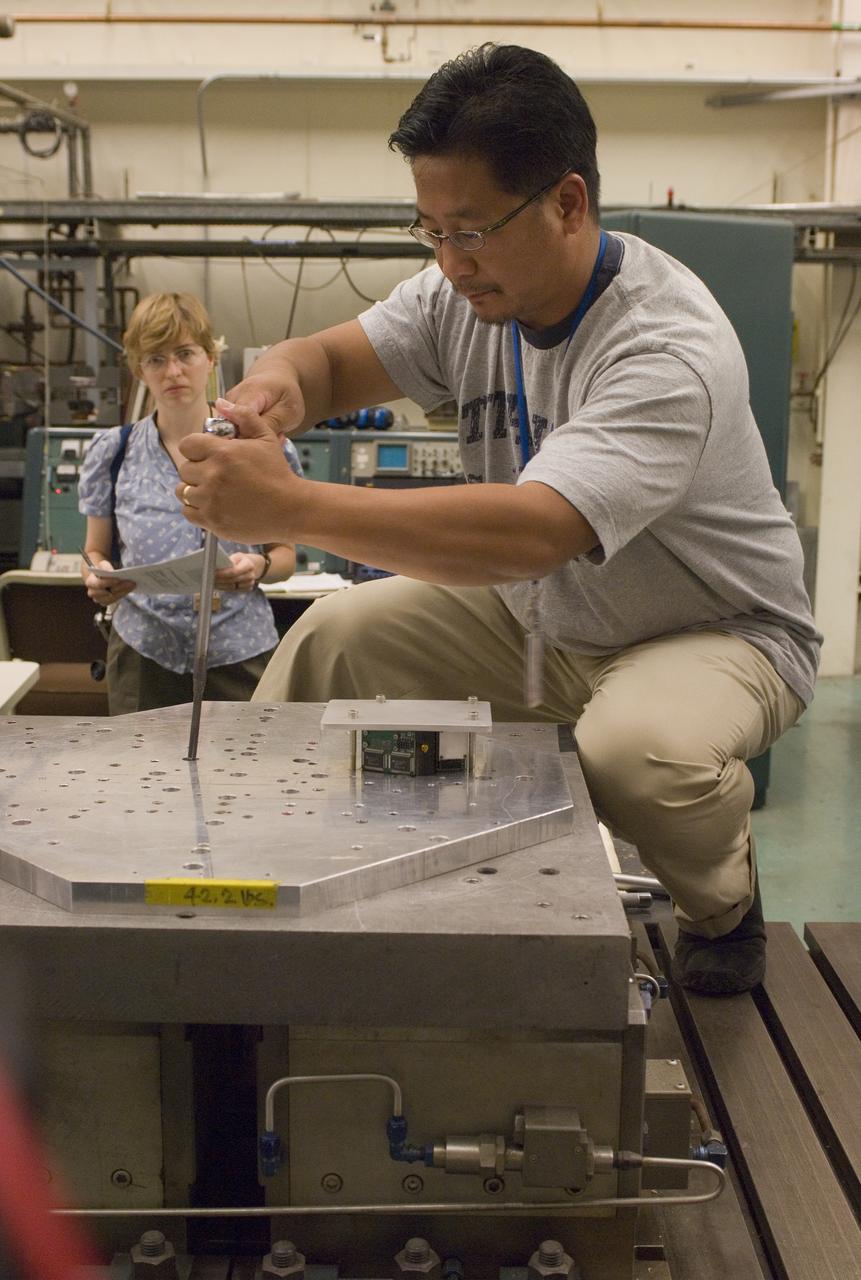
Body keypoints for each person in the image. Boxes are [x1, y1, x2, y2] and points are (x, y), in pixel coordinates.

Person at [174, 44, 821, 996]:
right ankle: (253, 868)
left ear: (568, 203)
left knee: (634, 755)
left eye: (471, 230)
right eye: (430, 230)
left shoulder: (662, 344)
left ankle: (722, 902)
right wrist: (272, 391)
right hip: (541, 611)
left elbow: (532, 531)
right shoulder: (463, 295)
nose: (449, 261)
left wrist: (289, 506)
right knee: (333, 638)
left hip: (712, 630)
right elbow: (328, 362)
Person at [78, 291, 300, 715]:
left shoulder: (256, 446)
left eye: (185, 354)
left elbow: (286, 556)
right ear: (139, 370)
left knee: (248, 756)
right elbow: (94, 551)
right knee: (138, 759)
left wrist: (259, 567)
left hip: (239, 649)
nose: (173, 371)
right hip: (143, 653)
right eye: (156, 359)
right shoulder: (114, 452)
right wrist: (98, 576)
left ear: (210, 358)